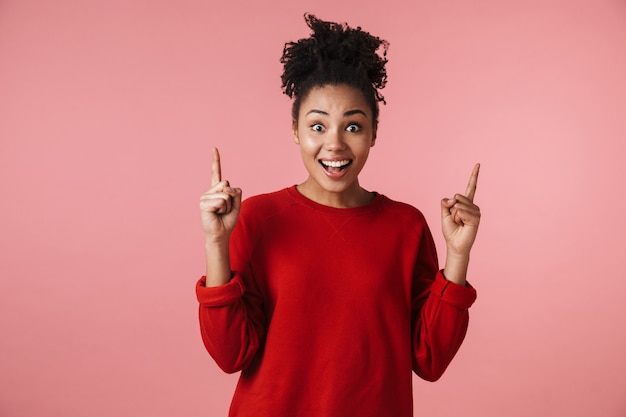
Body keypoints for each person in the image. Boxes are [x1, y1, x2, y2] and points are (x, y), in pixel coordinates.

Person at [196, 14, 481, 417]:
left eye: (352, 127)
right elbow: (230, 355)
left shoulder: (406, 226)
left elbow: (430, 359)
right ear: (296, 129)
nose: (334, 144)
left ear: (374, 133)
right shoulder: (258, 218)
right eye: (317, 126)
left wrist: (457, 258)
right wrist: (216, 243)